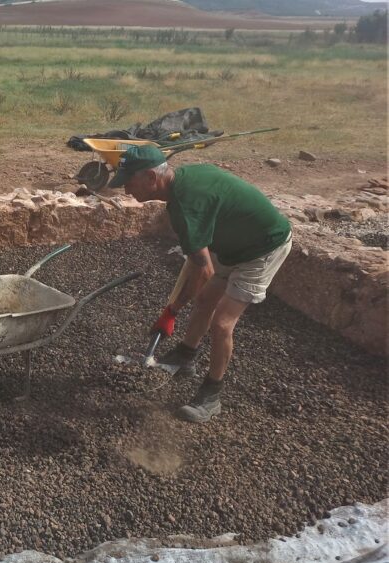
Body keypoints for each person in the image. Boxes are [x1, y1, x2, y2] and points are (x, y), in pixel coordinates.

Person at [108, 145, 292, 423]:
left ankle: (211, 395)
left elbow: (203, 271)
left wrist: (173, 310)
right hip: (232, 245)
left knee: (222, 323)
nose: (125, 192)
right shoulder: (186, 177)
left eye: (128, 183)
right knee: (205, 301)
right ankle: (185, 356)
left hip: (263, 248)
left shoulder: (184, 208)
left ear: (150, 177)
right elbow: (198, 260)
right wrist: (174, 308)